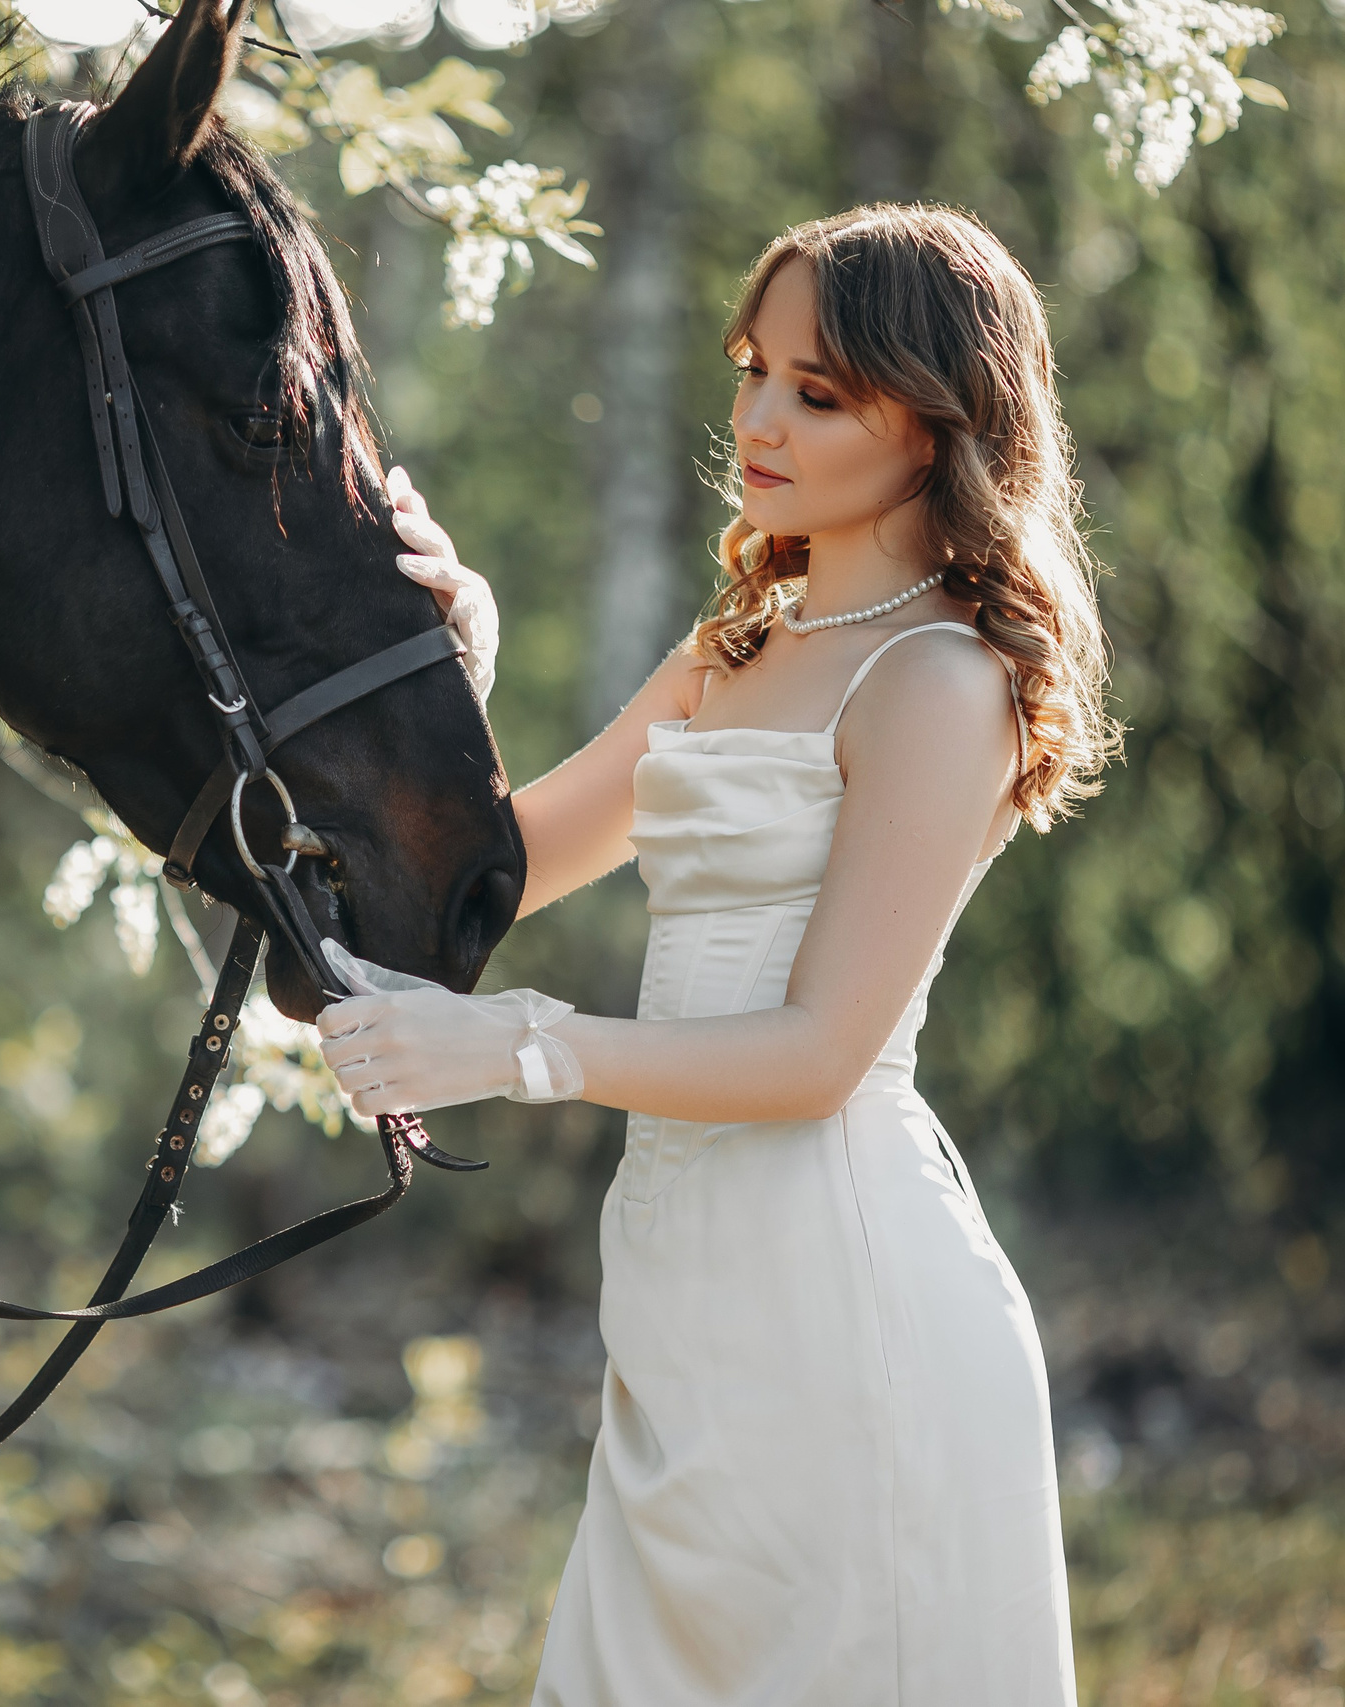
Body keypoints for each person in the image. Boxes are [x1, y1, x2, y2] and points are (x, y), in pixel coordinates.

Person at [321, 204, 1117, 1704]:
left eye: (817, 391)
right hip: (681, 1289)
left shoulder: (939, 681)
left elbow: (820, 1056)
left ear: (943, 416)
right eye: (755, 370)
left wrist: (518, 1050)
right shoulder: (732, 651)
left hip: (847, 1294)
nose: (756, 418)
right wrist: (453, 655)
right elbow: (505, 873)